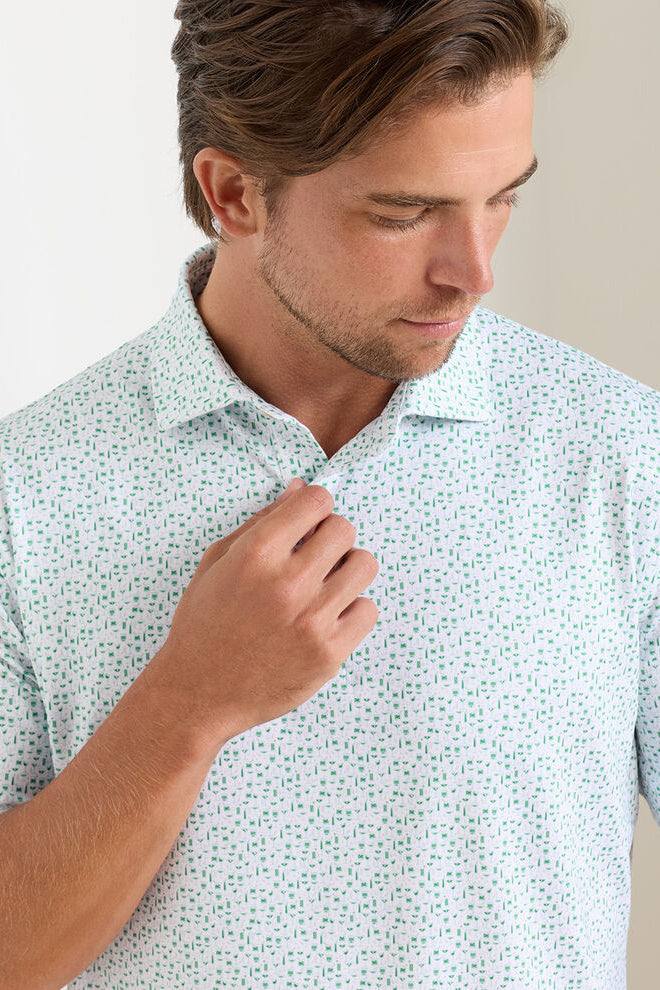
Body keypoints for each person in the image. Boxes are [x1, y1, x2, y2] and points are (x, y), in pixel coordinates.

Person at [1, 1, 658, 987]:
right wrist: (188, 704)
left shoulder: (624, 456)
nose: (474, 271)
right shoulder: (27, 496)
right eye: (403, 213)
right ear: (231, 193)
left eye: (502, 197)